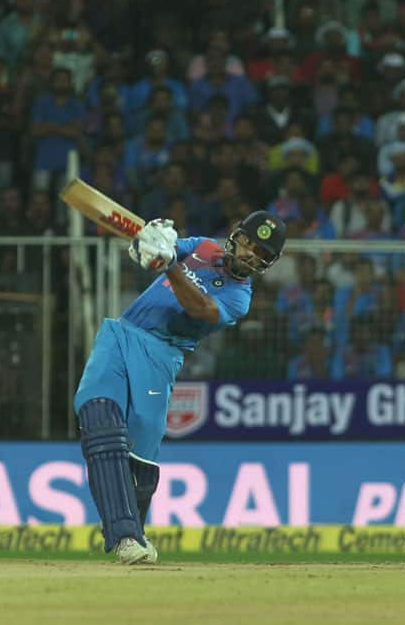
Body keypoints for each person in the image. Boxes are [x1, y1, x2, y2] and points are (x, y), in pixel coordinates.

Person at [73, 211, 286, 565]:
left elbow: (199, 309)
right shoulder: (200, 246)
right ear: (237, 237)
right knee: (99, 420)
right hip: (121, 334)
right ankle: (125, 536)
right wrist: (148, 245)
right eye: (250, 244)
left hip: (161, 354)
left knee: (139, 455)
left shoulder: (240, 297)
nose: (252, 255)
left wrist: (169, 264)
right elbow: (150, 252)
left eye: (262, 254)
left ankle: (134, 530)